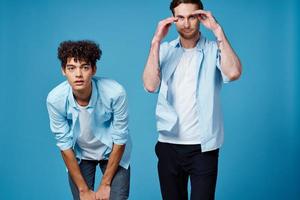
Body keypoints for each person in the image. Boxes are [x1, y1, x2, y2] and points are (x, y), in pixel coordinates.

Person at [143, 0, 242, 199]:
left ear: (200, 17)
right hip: (168, 146)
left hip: (203, 148)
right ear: (173, 19)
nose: (186, 23)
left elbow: (233, 73)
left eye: (191, 17)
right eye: (180, 17)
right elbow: (150, 85)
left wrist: (217, 30)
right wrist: (155, 42)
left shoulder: (214, 48)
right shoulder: (165, 50)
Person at [46, 40, 131, 200]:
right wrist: (83, 190)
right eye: (71, 68)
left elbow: (120, 139)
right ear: (63, 70)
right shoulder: (55, 99)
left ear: (93, 69)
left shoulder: (115, 93)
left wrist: (105, 184)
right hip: (80, 154)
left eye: (84, 67)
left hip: (112, 152)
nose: (78, 74)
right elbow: (64, 145)